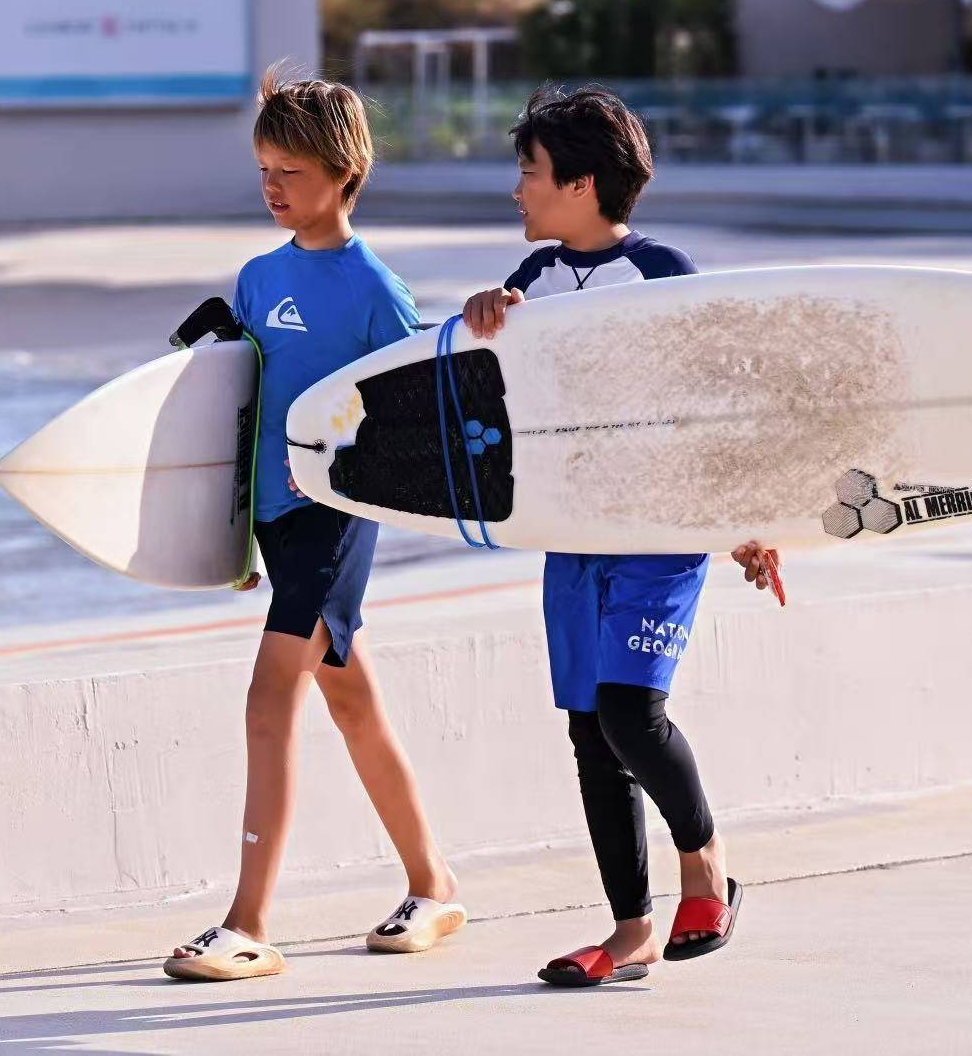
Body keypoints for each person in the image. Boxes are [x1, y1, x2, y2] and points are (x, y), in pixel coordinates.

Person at [459, 83, 782, 989]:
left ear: (583, 184)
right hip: (574, 533)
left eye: (529, 174)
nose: (517, 191)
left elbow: (718, 405)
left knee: (628, 713)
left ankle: (706, 866)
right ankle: (631, 928)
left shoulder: (664, 274)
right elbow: (495, 396)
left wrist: (749, 524)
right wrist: (485, 317)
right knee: (588, 731)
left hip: (661, 527)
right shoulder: (531, 282)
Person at [165, 70, 462, 981]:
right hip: (279, 523)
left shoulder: (373, 287)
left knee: (268, 704)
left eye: (289, 169)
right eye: (263, 168)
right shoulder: (259, 278)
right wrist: (230, 540)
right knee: (351, 701)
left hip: (336, 516)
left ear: (342, 171)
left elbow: (417, 406)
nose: (272, 187)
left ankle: (248, 920)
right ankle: (435, 884)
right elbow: (245, 412)